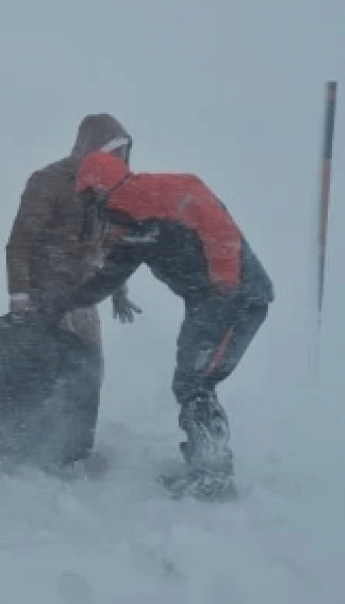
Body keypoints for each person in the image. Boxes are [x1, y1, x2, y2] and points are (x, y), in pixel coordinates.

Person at [34, 150, 274, 499]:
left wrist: (224, 288)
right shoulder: (130, 226)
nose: (91, 207)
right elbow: (109, 277)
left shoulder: (169, 193)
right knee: (189, 380)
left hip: (237, 299)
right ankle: (204, 465)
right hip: (206, 303)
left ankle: (213, 477)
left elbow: (219, 229)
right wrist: (64, 302)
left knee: (197, 382)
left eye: (91, 197)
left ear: (103, 190)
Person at [3, 113, 139, 470]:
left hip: (83, 296)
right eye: (113, 151)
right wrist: (19, 295)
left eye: (124, 152)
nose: (120, 160)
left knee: (89, 369)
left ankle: (77, 449)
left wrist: (118, 291)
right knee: (45, 371)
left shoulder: (111, 187)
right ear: (88, 148)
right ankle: (33, 444)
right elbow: (21, 241)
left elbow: (111, 245)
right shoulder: (48, 182)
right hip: (43, 295)